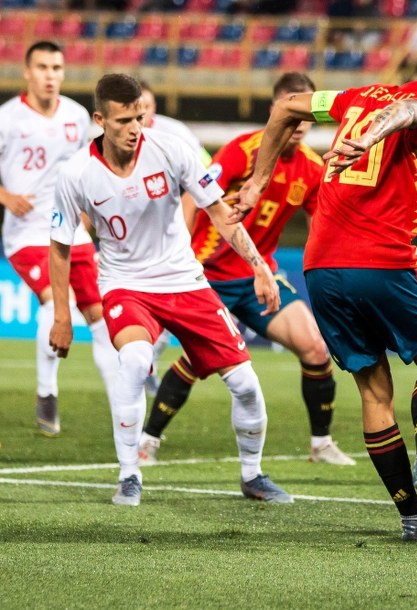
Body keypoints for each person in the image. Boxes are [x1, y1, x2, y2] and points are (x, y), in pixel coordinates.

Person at [228, 42, 417, 541]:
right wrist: (374, 136)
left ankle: (415, 517)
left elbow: (286, 106)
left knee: (373, 389)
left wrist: (258, 180)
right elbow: (413, 109)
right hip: (381, 256)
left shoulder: (354, 95)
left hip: (320, 266)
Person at [48, 73, 290, 507]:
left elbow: (219, 212)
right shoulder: (75, 174)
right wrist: (62, 317)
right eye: (124, 120)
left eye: (139, 116)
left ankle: (252, 476)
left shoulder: (172, 149)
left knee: (247, 385)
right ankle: (129, 475)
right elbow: (61, 246)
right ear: (101, 119)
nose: (135, 127)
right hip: (125, 285)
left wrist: (259, 267)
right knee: (137, 360)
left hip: (185, 281)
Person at [138, 72, 355, 467]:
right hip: (207, 274)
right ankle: (146, 441)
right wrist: (182, 255)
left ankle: (321, 444)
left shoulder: (310, 167)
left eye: (307, 115)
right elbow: (194, 195)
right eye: (293, 113)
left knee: (315, 347)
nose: (300, 124)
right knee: (200, 358)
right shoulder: (242, 150)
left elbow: (322, 223)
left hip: (259, 278)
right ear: (276, 111)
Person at [0, 40, 119, 436]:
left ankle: (122, 405)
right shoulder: (8, 118)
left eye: (57, 68)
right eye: (43, 67)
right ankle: (47, 394)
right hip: (27, 234)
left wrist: (88, 212)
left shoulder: (76, 115)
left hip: (72, 230)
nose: (51, 75)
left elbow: (84, 169)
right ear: (27, 73)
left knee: (100, 317)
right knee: (56, 300)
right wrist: (5, 196)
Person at [138, 79, 211, 395]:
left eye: (147, 106)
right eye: (135, 107)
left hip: (176, 232)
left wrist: (188, 213)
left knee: (168, 298)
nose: (141, 114)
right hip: (135, 233)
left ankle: (146, 363)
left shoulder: (176, 134)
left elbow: (208, 171)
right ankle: (141, 362)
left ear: (154, 107)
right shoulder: (111, 138)